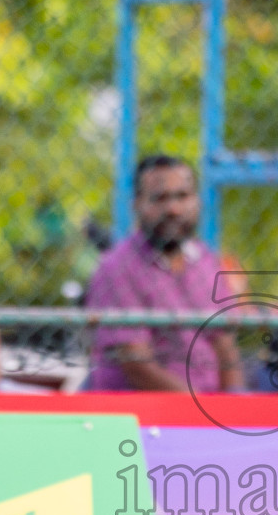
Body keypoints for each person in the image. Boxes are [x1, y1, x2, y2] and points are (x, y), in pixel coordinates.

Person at [85, 155, 244, 392]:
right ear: (137, 204)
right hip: (146, 416)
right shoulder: (117, 268)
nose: (173, 209)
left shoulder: (206, 261)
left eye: (182, 196)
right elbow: (137, 366)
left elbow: (225, 347)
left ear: (197, 201)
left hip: (209, 414)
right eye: (160, 198)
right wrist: (203, 414)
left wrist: (235, 406)